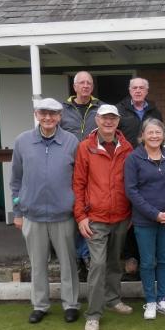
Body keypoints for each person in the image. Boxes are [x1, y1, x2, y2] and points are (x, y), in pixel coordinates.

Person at [10, 98, 80, 324]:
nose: (48, 117)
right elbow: (16, 180)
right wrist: (18, 212)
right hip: (33, 215)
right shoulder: (22, 141)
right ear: (36, 114)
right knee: (38, 263)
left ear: (60, 116)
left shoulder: (71, 142)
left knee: (68, 263)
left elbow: (79, 179)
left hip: (64, 215)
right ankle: (40, 305)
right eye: (43, 113)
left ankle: (71, 304)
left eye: (53, 113)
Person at [73, 104, 135, 330]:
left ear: (118, 121)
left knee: (114, 262)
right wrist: (81, 216)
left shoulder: (127, 147)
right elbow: (78, 184)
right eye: (104, 118)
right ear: (96, 120)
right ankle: (94, 314)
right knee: (97, 265)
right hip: (96, 217)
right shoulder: (85, 147)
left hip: (121, 216)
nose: (108, 122)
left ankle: (113, 299)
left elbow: (131, 183)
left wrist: (130, 213)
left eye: (113, 118)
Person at [124, 118, 165, 320]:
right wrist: (154, 214)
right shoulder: (134, 158)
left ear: (163, 135)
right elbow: (132, 191)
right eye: (150, 132)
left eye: (158, 132)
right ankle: (150, 301)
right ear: (142, 135)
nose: (154, 136)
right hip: (145, 221)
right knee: (148, 262)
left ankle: (163, 299)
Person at [116, 77, 164, 275]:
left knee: (148, 208)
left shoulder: (154, 111)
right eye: (134, 88)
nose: (138, 91)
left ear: (147, 90)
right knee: (130, 211)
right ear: (129, 90)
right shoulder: (120, 110)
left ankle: (150, 256)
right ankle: (130, 255)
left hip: (150, 165)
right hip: (127, 164)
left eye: (141, 88)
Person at [61, 71, 103, 272]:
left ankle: (86, 255)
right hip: (69, 167)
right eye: (82, 83)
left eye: (89, 83)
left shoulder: (101, 108)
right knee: (73, 209)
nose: (85, 86)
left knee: (90, 209)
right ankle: (76, 255)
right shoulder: (62, 110)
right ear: (75, 87)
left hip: (95, 166)